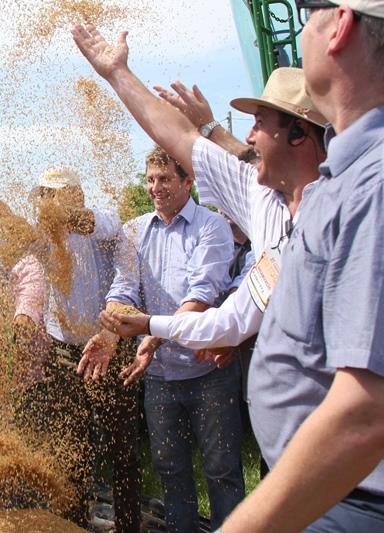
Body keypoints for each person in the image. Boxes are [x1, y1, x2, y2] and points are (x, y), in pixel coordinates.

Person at [220, 1, 384, 531]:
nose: (248, 136)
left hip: (349, 499)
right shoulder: (345, 178)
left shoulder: (373, 184)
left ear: (338, 25)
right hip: (323, 487)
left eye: (307, 13)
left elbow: (366, 411)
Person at [71, 24, 327, 362]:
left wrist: (150, 326)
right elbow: (178, 136)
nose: (249, 136)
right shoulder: (262, 198)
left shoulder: (345, 215)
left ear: (298, 133)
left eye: (260, 123)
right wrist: (118, 74)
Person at [79, 147, 241, 533]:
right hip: (160, 377)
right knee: (170, 467)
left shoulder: (211, 227)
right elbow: (124, 287)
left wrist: (150, 336)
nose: (155, 187)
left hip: (207, 369)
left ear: (188, 181)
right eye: (150, 179)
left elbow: (201, 294)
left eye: (165, 178)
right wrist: (109, 330)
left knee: (221, 469)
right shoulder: (134, 231)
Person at [21, 166, 139, 530]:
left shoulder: (103, 223)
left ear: (76, 195)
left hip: (107, 347)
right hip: (62, 353)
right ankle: (74, 524)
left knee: (121, 446)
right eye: (46, 196)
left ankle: (129, 524)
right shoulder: (41, 237)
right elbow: (16, 261)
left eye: (57, 195)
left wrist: (62, 214)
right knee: (71, 447)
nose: (51, 203)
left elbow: (99, 224)